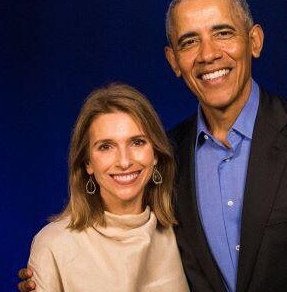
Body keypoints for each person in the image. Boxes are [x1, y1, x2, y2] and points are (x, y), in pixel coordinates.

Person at [19, 0, 287, 291]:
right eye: (189, 42)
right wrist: (51, 272)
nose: (208, 54)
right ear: (173, 61)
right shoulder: (166, 157)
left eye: (223, 33)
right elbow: (122, 240)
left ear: (255, 41)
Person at [22, 83, 189, 291]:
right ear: (88, 163)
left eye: (137, 142)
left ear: (155, 154)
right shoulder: (53, 245)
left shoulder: (181, 236)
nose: (124, 161)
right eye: (106, 147)